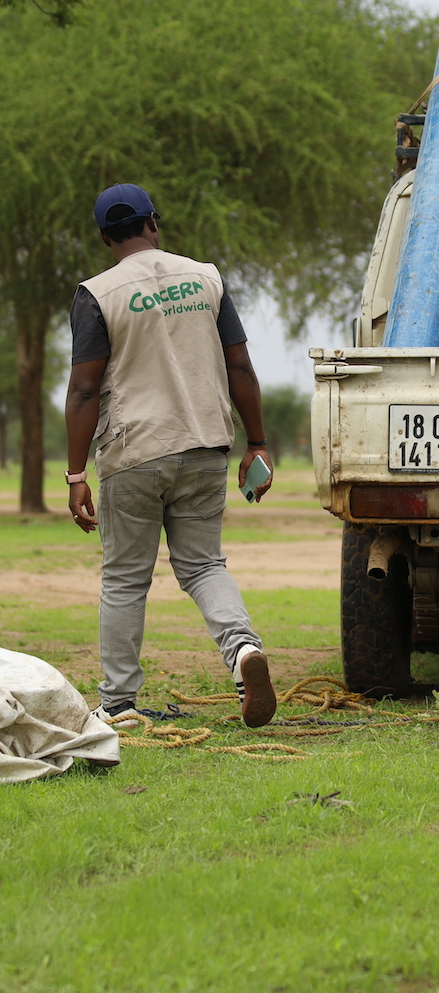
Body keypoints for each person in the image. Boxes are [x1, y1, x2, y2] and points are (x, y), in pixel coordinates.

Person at [65, 183, 277, 728]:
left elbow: (86, 390)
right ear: (153, 223)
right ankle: (243, 653)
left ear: (106, 238)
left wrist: (74, 474)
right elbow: (240, 368)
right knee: (205, 565)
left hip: (134, 451)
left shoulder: (96, 293)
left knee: (125, 578)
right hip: (206, 444)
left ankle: (118, 703)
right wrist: (256, 442)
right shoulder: (207, 277)